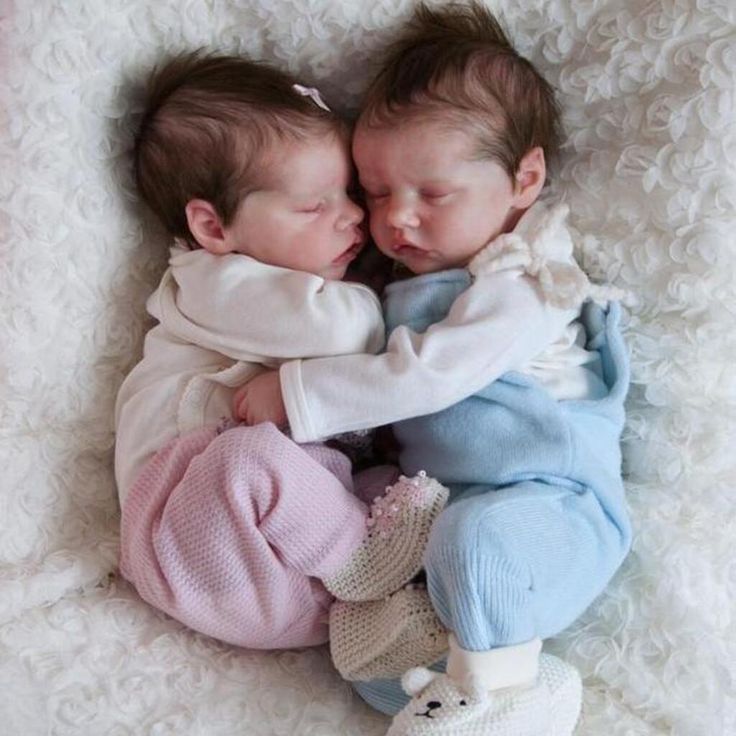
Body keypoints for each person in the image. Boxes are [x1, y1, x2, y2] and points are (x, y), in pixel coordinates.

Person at [234, 3, 632, 734]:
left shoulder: (526, 282)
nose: (396, 219)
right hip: (449, 518)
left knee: (475, 542)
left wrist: (299, 395)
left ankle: (501, 701)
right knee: (363, 639)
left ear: (524, 177)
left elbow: (430, 376)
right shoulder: (405, 284)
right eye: (378, 193)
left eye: (433, 194)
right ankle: (494, 683)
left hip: (552, 509)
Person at [114, 51, 449, 652]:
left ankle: (380, 613)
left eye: (348, 193)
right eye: (314, 206)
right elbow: (347, 333)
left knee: (388, 475)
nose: (351, 216)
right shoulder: (215, 281)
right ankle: (366, 562)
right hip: (188, 542)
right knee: (246, 461)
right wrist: (377, 287)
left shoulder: (266, 279)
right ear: (214, 229)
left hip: (281, 563)